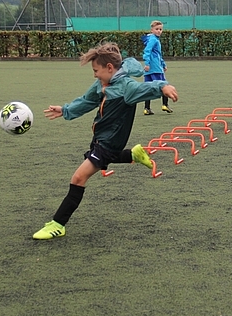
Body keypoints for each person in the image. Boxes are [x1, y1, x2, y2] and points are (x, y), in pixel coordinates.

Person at [33, 42, 179, 240]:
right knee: (105, 157)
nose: (95, 75)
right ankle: (133, 154)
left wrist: (163, 86)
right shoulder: (102, 84)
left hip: (110, 141)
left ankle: (58, 224)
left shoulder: (126, 88)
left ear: (109, 68)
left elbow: (145, 88)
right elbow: (87, 101)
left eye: (96, 71)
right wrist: (65, 110)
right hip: (101, 139)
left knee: (78, 178)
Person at [141, 20, 172, 115]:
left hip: (150, 69)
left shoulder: (152, 39)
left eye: (160, 29)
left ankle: (146, 108)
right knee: (164, 85)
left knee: (148, 88)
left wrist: (163, 64)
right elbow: (147, 51)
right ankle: (165, 105)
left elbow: (157, 54)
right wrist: (147, 63)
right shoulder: (153, 39)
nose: (159, 31)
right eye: (157, 29)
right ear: (152, 30)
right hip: (155, 68)